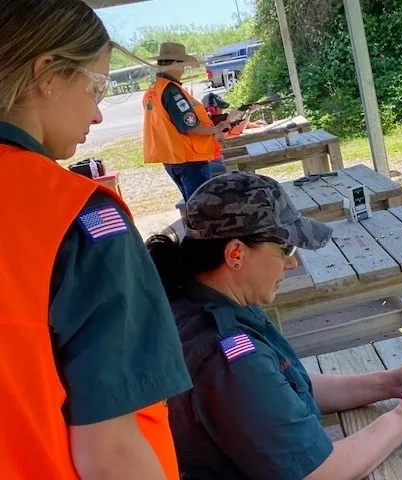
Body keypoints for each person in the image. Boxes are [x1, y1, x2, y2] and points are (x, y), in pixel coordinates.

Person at [146, 172, 402, 480]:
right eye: (285, 249)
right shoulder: (228, 357)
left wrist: (386, 384)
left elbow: (279, 388)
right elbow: (318, 472)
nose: (293, 263)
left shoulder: (192, 300)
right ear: (236, 253)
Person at [0, 1, 193, 478]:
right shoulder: (76, 216)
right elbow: (111, 453)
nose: (99, 114)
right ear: (47, 73)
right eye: (97, 86)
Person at [143, 42, 231, 202]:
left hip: (172, 158)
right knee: (202, 207)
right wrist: (216, 129)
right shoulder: (171, 90)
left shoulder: (153, 89)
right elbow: (190, 126)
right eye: (183, 65)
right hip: (190, 158)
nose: (184, 69)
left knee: (193, 205)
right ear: (175, 63)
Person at [201, 91, 267, 135]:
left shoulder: (206, 121)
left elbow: (237, 124)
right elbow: (238, 130)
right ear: (212, 109)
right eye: (220, 108)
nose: (222, 110)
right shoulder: (212, 123)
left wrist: (250, 124)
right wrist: (248, 113)